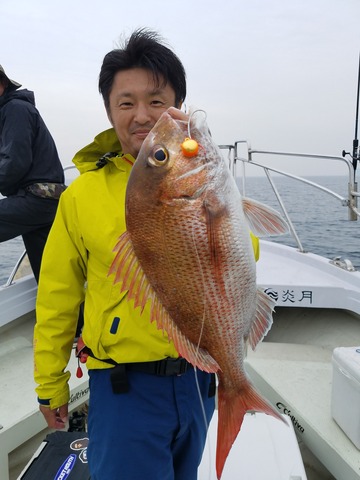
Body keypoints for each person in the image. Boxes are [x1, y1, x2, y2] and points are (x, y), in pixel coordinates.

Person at [34, 29, 216, 480]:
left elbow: (241, 257)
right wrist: (49, 384)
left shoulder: (203, 176)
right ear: (110, 110)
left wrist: (210, 184)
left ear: (178, 106)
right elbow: (58, 295)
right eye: (126, 102)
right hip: (124, 387)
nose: (142, 116)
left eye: (156, 101)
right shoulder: (82, 195)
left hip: (199, 380)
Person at [0, 65, 65, 283]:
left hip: (37, 199)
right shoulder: (16, 110)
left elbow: (15, 161)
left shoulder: (15, 109)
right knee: (49, 275)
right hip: (45, 200)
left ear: (2, 84)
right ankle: (75, 318)